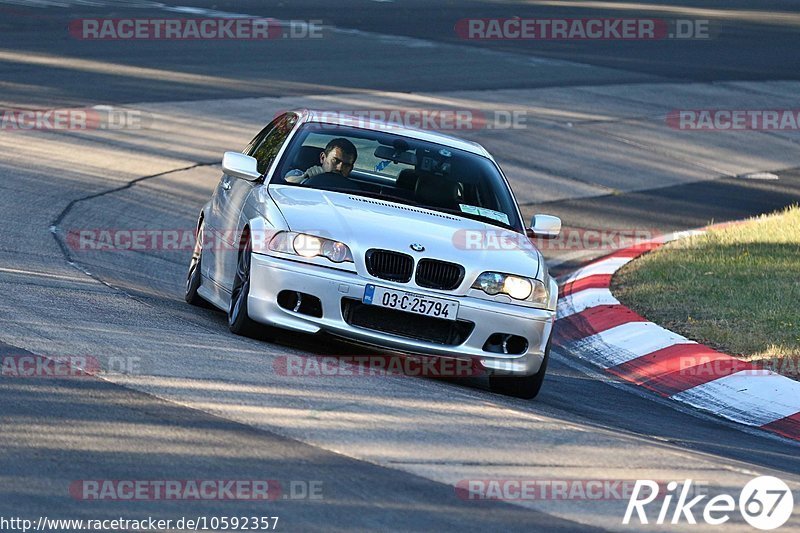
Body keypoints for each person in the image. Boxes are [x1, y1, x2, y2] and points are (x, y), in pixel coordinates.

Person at [285, 138, 357, 184]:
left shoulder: (352, 189)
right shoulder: (300, 174)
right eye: (335, 161)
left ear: (350, 169)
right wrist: (305, 178)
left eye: (346, 165)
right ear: (323, 158)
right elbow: (284, 183)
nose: (340, 168)